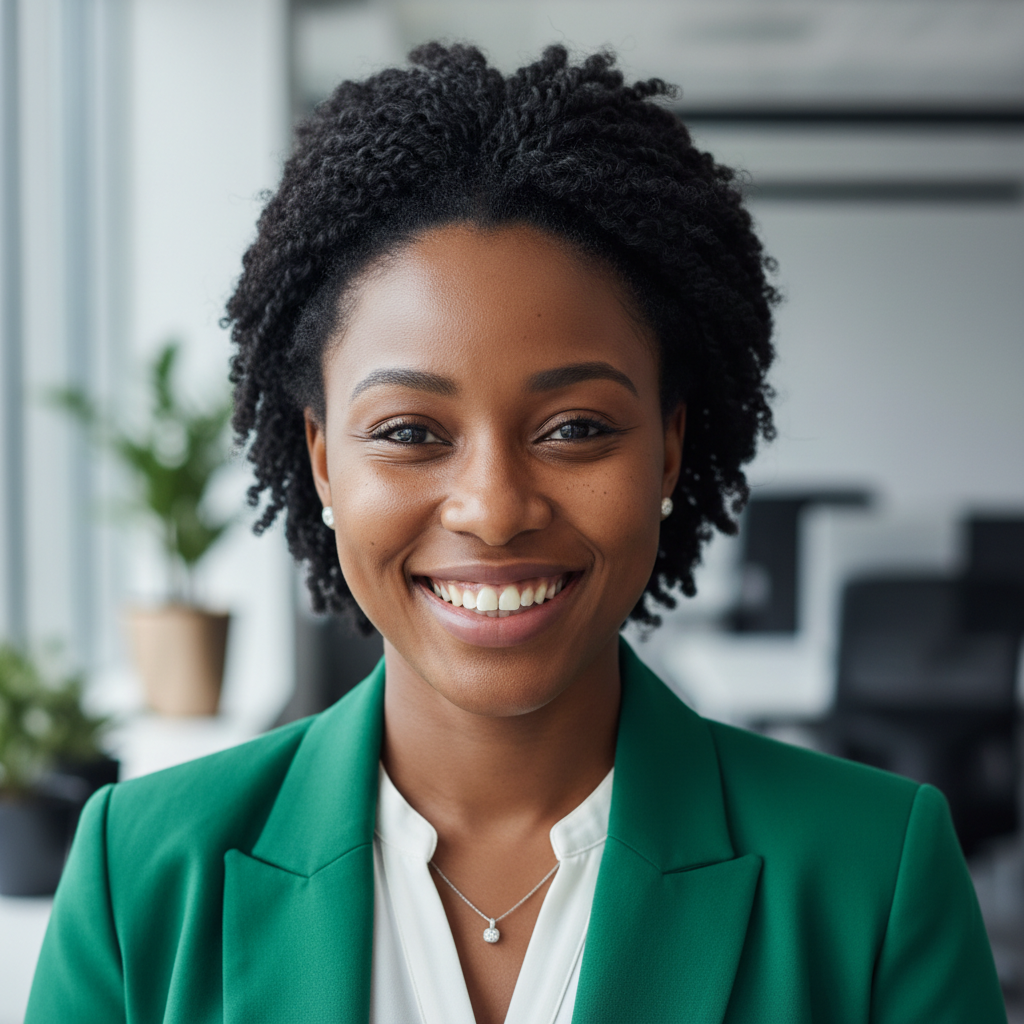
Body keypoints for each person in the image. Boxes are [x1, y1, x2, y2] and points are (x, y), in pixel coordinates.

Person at [27, 44, 1004, 1024]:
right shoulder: (140, 875)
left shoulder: (871, 876)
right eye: (410, 432)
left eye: (574, 428)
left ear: (666, 450)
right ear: (323, 460)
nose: (493, 510)